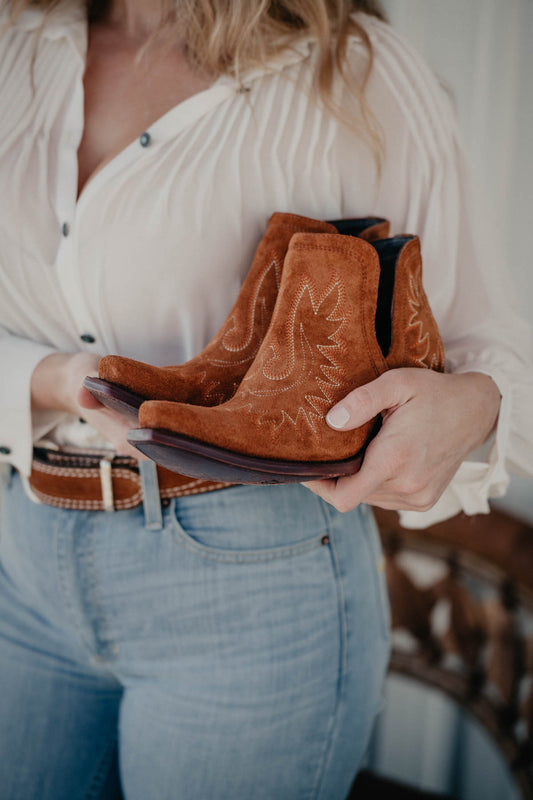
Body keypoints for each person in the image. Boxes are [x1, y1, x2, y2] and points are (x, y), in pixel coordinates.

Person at [0, 1, 531, 798]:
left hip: (252, 568)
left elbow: (490, 344)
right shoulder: (15, 46)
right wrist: (53, 377)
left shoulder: (352, 68)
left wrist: (471, 407)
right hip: (26, 550)